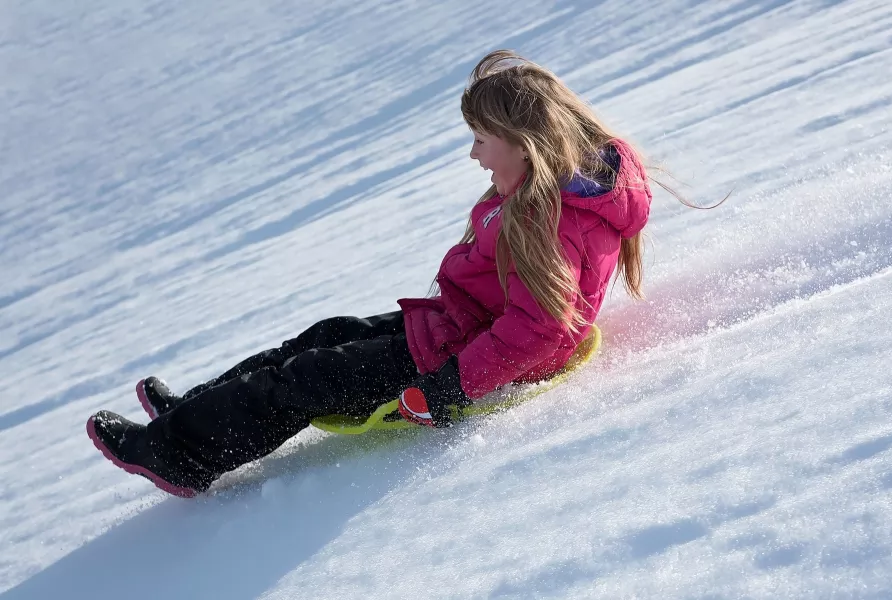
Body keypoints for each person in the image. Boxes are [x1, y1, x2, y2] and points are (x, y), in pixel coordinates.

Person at [86, 49, 655, 498]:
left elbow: (539, 331)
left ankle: (177, 455)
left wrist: (450, 388)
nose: (474, 155)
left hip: (459, 358)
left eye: (482, 140)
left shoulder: (550, 219)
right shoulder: (555, 194)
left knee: (304, 378)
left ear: (528, 147)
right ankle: (193, 408)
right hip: (461, 327)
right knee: (325, 335)